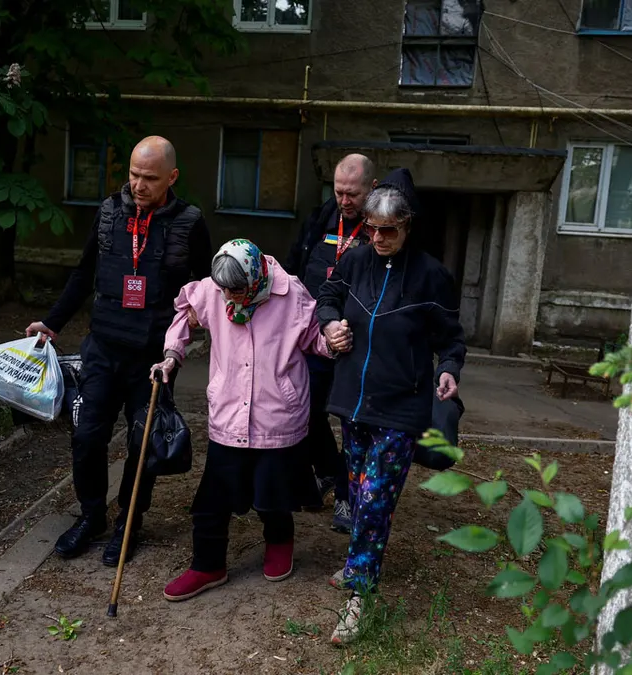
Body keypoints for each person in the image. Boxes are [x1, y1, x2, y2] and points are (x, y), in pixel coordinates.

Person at [24, 136, 212, 567]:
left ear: (172, 177)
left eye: (149, 178)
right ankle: (91, 515)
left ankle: (129, 521)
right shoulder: (109, 212)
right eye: (133, 174)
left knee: (142, 444)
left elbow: (206, 283)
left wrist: (205, 317)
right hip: (103, 348)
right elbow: (83, 272)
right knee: (87, 436)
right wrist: (51, 323)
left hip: (152, 359)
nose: (139, 185)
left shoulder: (189, 222)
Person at [315, 168, 467, 644]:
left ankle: (359, 596)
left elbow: (452, 339)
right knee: (359, 492)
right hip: (354, 404)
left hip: (402, 409)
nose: (378, 238)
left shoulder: (432, 276)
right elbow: (328, 297)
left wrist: (449, 369)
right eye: (372, 228)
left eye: (389, 230)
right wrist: (329, 324)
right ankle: (358, 562)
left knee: (377, 500)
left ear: (407, 226)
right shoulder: (354, 261)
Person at [151, 239, 330, 601]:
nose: (230, 297)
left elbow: (314, 338)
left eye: (237, 289)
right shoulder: (211, 291)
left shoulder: (290, 292)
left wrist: (335, 340)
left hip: (277, 412)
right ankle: (207, 565)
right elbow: (183, 318)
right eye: (224, 290)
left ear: (256, 275)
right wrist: (171, 355)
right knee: (211, 500)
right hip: (229, 410)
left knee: (272, 493)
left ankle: (280, 541)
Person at [283, 153, 378, 534]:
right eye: (339, 191)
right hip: (314, 335)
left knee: (352, 422)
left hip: (358, 343)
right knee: (306, 411)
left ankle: (347, 494)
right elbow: (295, 266)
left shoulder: (381, 227)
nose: (344, 200)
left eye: (352, 193)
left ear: (371, 188)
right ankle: (329, 473)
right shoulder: (322, 216)